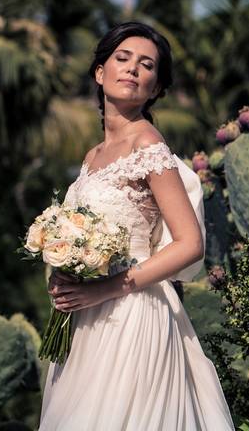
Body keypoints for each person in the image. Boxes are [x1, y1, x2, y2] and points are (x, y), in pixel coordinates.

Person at [38, 22, 234, 430]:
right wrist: (65, 274)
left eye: (147, 66)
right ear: (99, 72)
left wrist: (107, 288)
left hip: (131, 313)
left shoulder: (147, 144)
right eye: (122, 59)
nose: (132, 69)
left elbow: (189, 244)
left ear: (155, 88)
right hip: (86, 321)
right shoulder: (94, 154)